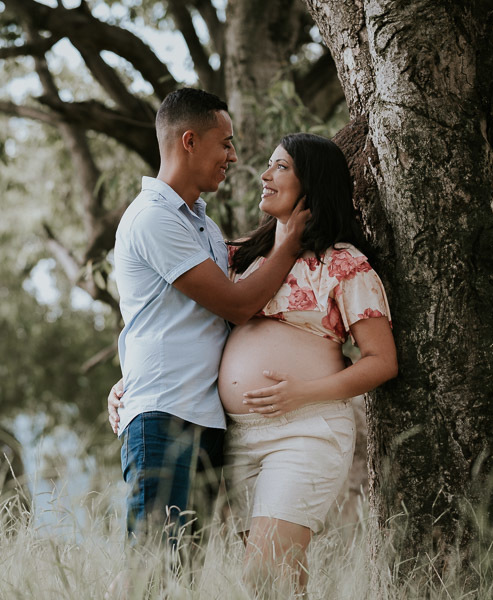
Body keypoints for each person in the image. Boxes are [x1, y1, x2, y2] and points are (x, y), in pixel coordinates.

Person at [110, 132, 398, 593]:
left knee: (262, 573)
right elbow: (177, 319)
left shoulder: (345, 264)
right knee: (278, 582)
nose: (264, 175)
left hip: (306, 428)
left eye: (280, 167)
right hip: (239, 438)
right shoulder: (239, 258)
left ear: (312, 182)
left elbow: (382, 361)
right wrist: (132, 379)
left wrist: (303, 391)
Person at [112, 88, 309, 546]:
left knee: (186, 570)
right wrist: (289, 243)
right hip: (164, 415)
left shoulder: (204, 226)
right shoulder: (152, 219)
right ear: (188, 141)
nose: (234, 156)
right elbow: (237, 305)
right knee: (158, 566)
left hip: (204, 419)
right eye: (225, 142)